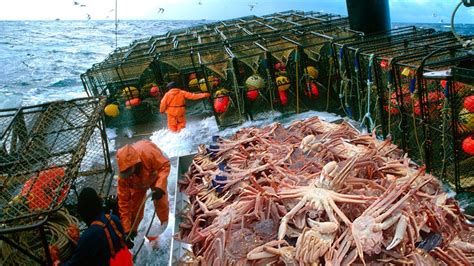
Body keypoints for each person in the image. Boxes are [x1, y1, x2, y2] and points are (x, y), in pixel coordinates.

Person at [51, 187, 132, 266]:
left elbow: (74, 263)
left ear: (84, 212)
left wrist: (56, 261)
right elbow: (102, 247)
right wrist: (78, 239)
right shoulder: (114, 219)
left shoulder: (90, 235)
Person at [116, 140, 170, 248]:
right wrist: (127, 230)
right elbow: (123, 202)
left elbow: (165, 165)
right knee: (134, 208)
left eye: (128, 173)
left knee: (161, 203)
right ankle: (133, 231)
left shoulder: (149, 153)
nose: (126, 176)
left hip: (154, 175)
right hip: (138, 185)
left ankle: (165, 225)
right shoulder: (124, 178)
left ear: (134, 165)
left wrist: (159, 186)